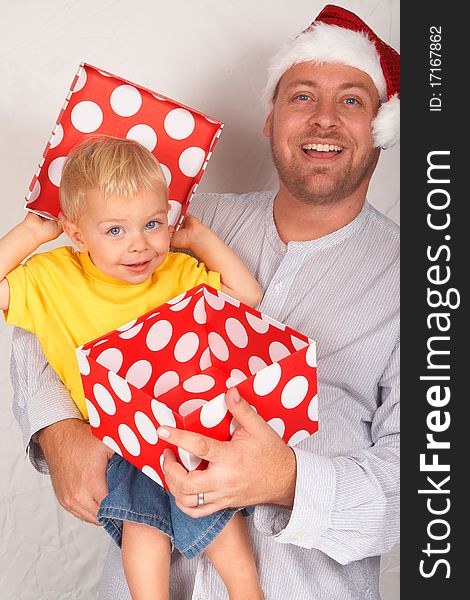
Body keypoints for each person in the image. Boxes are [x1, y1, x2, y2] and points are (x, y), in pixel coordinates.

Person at [10, 4, 400, 599]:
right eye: (301, 97)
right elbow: (53, 306)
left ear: (381, 126)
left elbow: (426, 490)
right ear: (270, 119)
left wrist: (288, 480)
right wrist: (59, 428)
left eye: (351, 100)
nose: (323, 119)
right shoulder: (179, 226)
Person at [1, 136, 264, 600]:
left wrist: (198, 237)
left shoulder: (178, 271)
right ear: (78, 234)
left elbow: (249, 297)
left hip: (189, 428)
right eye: (115, 231)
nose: (140, 245)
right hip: (119, 437)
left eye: (152, 224)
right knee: (143, 528)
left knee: (219, 521)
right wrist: (32, 233)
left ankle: (250, 595)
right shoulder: (54, 278)